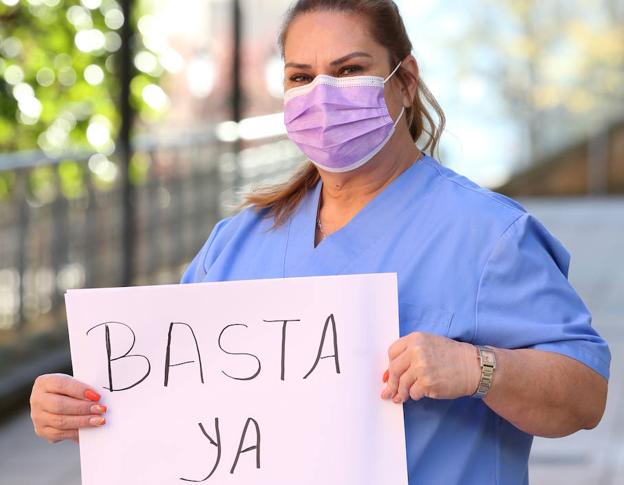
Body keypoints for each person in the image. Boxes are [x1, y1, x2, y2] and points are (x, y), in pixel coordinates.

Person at [30, 1, 610, 483]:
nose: (323, 95)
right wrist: (73, 404)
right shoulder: (235, 244)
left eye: (351, 69)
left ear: (404, 81)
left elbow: (584, 398)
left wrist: (479, 369)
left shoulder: (487, 236)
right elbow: (169, 403)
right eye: (301, 77)